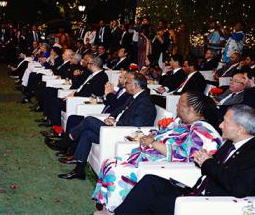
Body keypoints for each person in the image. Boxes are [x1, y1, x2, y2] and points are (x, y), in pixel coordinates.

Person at [112, 104, 255, 215]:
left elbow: (239, 189)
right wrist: (202, 160)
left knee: (147, 200)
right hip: (194, 192)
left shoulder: (252, 153)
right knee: (150, 181)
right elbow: (212, 167)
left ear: (241, 129)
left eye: (225, 122)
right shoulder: (231, 144)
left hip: (207, 203)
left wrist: (208, 163)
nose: (220, 125)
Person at [92, 91, 221, 214]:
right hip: (150, 156)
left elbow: (183, 154)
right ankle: (106, 206)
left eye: (180, 103)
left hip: (164, 165)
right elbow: (166, 134)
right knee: (109, 161)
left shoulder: (202, 130)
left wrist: (153, 143)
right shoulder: (184, 122)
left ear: (190, 109)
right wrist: (153, 136)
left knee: (116, 170)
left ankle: (114, 209)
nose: (176, 105)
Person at [57, 72, 156, 180]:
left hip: (124, 133)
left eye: (127, 82)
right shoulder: (135, 97)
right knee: (87, 134)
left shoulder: (144, 102)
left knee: (89, 120)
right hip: (114, 129)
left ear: (136, 85)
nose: (124, 84)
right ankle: (79, 170)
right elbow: (118, 110)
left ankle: (68, 139)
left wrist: (115, 123)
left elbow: (137, 124)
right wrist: (112, 118)